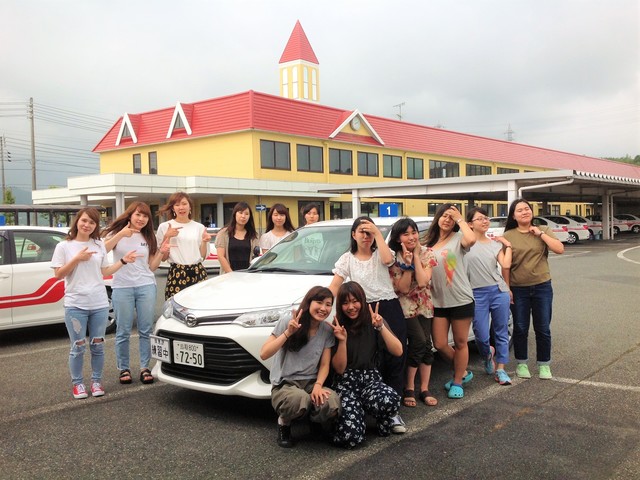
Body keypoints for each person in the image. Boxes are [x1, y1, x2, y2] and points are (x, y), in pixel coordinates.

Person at [329, 216, 407, 434]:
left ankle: (393, 412)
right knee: (374, 361)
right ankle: (371, 407)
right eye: (361, 231)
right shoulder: (346, 259)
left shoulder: (380, 253)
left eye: (369, 231)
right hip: (361, 311)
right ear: (353, 235)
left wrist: (377, 232)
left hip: (388, 306)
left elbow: (387, 260)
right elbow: (335, 285)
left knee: (395, 357)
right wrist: (323, 307)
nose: (365, 235)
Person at [51, 207, 139, 399]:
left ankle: (96, 381)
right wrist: (77, 259)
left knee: (98, 345)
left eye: (92, 222)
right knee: (78, 346)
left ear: (95, 226)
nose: (87, 225)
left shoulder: (98, 244)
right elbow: (58, 274)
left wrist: (123, 261)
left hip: (99, 304)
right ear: (77, 222)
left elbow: (105, 271)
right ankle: (78, 384)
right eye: (84, 221)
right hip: (75, 305)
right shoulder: (64, 246)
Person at [259, 286, 341, 448]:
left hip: (310, 383)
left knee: (331, 402)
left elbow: (325, 364)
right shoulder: (289, 321)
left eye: (328, 304)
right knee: (298, 400)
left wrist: (318, 386)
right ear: (309, 302)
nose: (324, 308)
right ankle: (284, 424)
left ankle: (315, 421)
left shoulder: (326, 330)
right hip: (286, 384)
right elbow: (264, 354)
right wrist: (288, 333)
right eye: (319, 302)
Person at [102, 201, 169, 385]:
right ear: (130, 215)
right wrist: (122, 234)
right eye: (138, 215)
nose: (141, 219)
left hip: (146, 285)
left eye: (145, 216)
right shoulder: (117, 233)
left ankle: (144, 367)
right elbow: (103, 250)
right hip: (122, 287)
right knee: (122, 330)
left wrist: (161, 253)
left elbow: (151, 267)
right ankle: (123, 368)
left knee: (145, 329)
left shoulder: (148, 236)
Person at [331, 282, 402, 449]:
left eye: (355, 301)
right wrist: (342, 341)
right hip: (345, 383)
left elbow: (398, 350)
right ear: (340, 306)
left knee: (390, 399)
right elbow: (339, 369)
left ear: (362, 301)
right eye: (345, 302)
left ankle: (384, 416)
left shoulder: (374, 321)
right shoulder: (337, 327)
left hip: (370, 380)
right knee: (351, 438)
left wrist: (381, 327)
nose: (351, 307)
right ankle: (353, 414)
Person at [503, 199, 564, 380]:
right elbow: (505, 266)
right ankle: (522, 363)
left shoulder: (543, 230)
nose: (524, 212)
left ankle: (544, 365)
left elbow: (560, 249)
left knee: (543, 328)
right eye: (519, 210)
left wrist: (540, 234)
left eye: (527, 209)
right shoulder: (508, 235)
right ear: (513, 215)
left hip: (542, 286)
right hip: (518, 288)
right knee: (520, 328)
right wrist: (507, 288)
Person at [424, 204, 476, 399]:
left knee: (461, 342)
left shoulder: (458, 239)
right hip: (437, 301)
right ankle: (462, 371)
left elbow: (471, 238)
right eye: (444, 216)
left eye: (451, 217)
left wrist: (460, 218)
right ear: (437, 218)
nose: (447, 220)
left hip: (461, 299)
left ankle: (457, 381)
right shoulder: (428, 243)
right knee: (439, 343)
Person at [388, 217, 439, 407]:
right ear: (398, 238)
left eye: (414, 232)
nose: (411, 237)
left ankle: (424, 389)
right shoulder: (393, 258)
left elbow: (424, 281)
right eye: (406, 234)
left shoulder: (427, 253)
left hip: (424, 305)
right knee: (418, 341)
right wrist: (407, 266)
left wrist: (416, 256)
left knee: (427, 345)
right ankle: (408, 386)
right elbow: (401, 288)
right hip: (404, 307)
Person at [465, 207, 513, 386]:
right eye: (480, 219)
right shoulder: (465, 244)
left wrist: (507, 245)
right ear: (470, 224)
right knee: (481, 334)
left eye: (486, 218)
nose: (485, 221)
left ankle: (501, 369)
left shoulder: (494, 245)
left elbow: (506, 264)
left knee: (501, 331)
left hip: (498, 291)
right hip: (476, 293)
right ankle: (487, 354)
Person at [157, 192, 211, 299]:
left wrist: (204, 241)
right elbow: (163, 258)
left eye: (184, 204)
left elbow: (203, 256)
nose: (181, 207)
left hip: (197, 271)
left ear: (190, 206)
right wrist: (167, 237)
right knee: (176, 306)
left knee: (199, 303)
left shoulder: (199, 227)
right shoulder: (164, 227)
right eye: (177, 205)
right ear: (173, 208)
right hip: (177, 272)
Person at [215, 201, 260, 274]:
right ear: (235, 214)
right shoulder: (223, 233)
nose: (243, 216)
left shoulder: (253, 235)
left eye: (246, 214)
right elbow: (221, 256)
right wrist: (231, 273)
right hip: (228, 276)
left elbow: (255, 257)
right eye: (240, 212)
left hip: (248, 276)